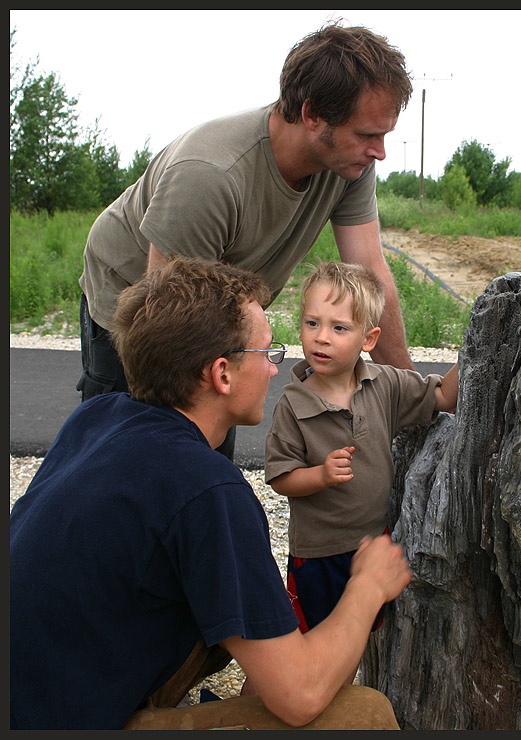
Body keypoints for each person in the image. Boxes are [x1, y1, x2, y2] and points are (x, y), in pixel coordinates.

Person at [10, 257, 411, 730]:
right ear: (222, 374)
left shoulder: (96, 417)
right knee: (361, 715)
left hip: (30, 685)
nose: (274, 370)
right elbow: (300, 696)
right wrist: (367, 585)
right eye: (268, 354)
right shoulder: (207, 490)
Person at [76, 22, 415, 459]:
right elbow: (165, 326)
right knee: (128, 445)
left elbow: (371, 272)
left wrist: (407, 396)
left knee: (211, 445)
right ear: (313, 115)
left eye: (384, 134)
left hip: (216, 301)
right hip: (135, 294)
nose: (380, 152)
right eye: (368, 135)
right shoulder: (211, 176)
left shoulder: (349, 165)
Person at [264, 261, 458, 643]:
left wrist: (475, 348)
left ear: (368, 340)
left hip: (373, 543)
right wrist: (320, 475)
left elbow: (442, 396)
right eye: (312, 323)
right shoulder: (294, 404)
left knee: (359, 634)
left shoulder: (383, 384)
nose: (321, 338)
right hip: (320, 553)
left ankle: (341, 700)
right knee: (305, 640)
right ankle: (266, 700)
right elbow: (281, 477)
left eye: (339, 328)